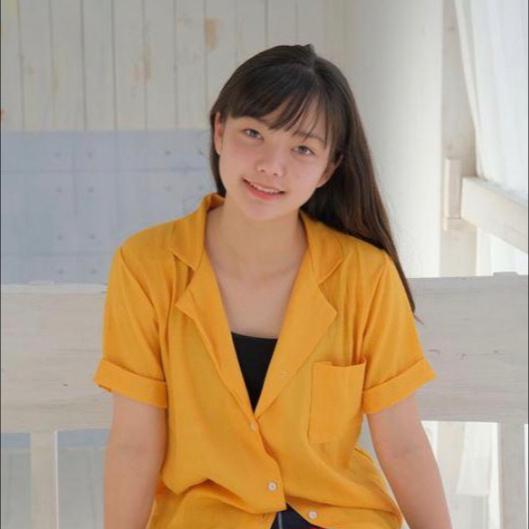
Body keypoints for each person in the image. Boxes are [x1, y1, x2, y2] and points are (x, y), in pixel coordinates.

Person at [93, 44, 453, 529]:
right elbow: (135, 443)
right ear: (219, 131)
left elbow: (403, 444)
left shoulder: (366, 275)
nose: (271, 165)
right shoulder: (146, 266)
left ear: (328, 168)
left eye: (302, 148)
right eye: (253, 133)